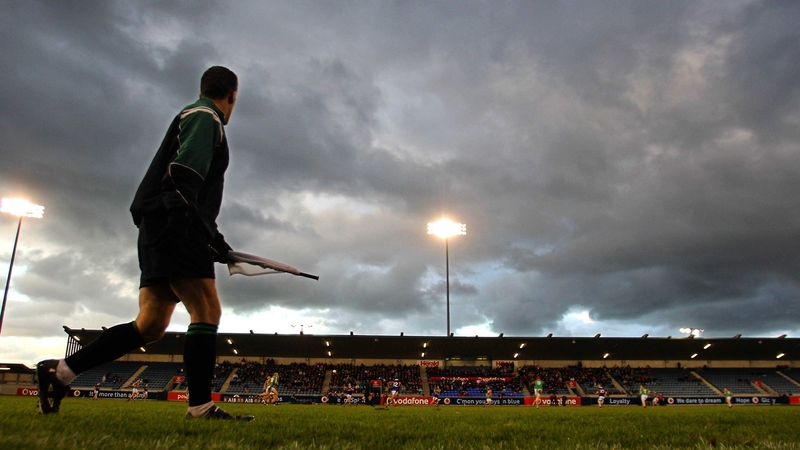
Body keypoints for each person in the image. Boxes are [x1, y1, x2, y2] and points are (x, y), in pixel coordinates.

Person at [35, 66, 253, 422]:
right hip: (173, 225)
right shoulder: (206, 117)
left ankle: (59, 373)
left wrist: (214, 237)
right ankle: (200, 407)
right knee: (207, 309)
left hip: (160, 224)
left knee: (150, 324)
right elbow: (184, 177)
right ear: (232, 95)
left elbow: (180, 182)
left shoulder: (193, 115)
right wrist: (191, 231)